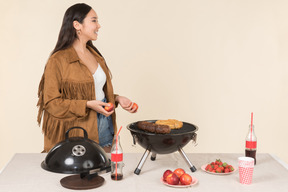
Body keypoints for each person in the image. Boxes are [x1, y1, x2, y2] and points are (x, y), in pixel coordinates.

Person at [37, 3, 137, 153]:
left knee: (106, 171)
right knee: (80, 174)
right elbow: (51, 103)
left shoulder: (95, 54)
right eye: (94, 20)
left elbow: (95, 90)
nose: (99, 25)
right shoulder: (57, 60)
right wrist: (87, 104)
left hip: (104, 125)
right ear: (77, 25)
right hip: (77, 131)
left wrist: (116, 99)